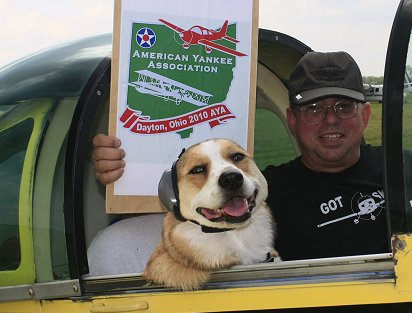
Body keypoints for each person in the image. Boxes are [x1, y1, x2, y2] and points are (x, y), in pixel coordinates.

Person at [93, 51, 390, 261]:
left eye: (344, 106)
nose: (330, 120)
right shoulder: (258, 192)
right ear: (293, 120)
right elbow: (179, 217)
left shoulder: (405, 169)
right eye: (313, 109)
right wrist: (122, 172)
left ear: (365, 115)